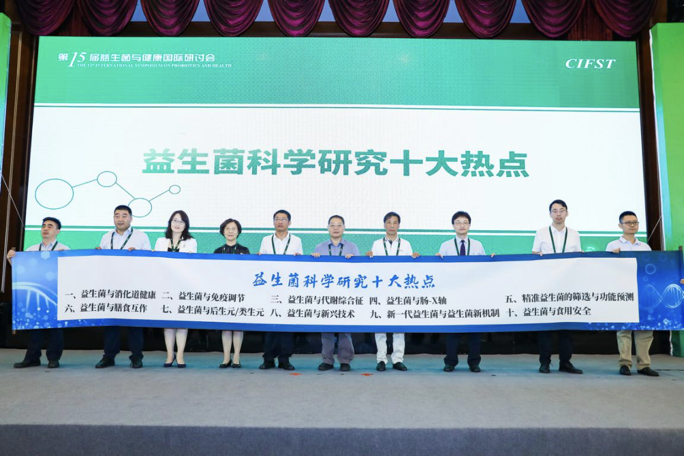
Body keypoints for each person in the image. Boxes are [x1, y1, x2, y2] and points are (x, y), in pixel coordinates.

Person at [7, 217, 70, 369]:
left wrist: (64, 259)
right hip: (35, 293)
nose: (45, 228)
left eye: (50, 226)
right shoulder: (31, 249)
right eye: (44, 226)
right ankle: (32, 358)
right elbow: (21, 270)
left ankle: (53, 358)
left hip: (55, 293)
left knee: (54, 327)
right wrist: (11, 259)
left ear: (58, 231)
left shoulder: (64, 249)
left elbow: (70, 272)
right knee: (34, 327)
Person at [95, 205, 151, 369]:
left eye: (124, 215)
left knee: (134, 324)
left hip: (133, 285)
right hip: (111, 285)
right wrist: (98, 253)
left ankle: (136, 357)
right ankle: (109, 356)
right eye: (117, 215)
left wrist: (138, 254)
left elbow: (149, 260)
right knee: (111, 323)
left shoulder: (141, 236)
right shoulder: (106, 237)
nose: (120, 219)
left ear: (131, 218)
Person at [531, 199, 583, 374]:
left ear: (567, 213)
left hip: (568, 284)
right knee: (545, 326)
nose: (558, 214)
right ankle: (544, 362)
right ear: (550, 214)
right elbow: (534, 254)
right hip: (547, 284)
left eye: (562, 210)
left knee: (566, 326)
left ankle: (565, 362)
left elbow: (577, 257)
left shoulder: (574, 234)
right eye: (555, 211)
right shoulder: (541, 233)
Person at [606, 211, 659, 377]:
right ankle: (625, 364)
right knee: (624, 329)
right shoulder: (612, 245)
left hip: (643, 291)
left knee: (645, 329)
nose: (632, 225)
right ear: (620, 225)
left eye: (635, 222)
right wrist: (613, 257)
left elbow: (652, 269)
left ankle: (644, 365)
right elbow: (606, 269)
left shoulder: (645, 247)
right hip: (622, 291)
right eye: (628, 222)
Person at [367, 211, 419, 372]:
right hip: (381, 290)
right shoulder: (376, 244)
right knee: (380, 326)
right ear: (384, 225)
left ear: (399, 225)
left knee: (399, 326)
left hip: (399, 290)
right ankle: (381, 359)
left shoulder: (406, 244)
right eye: (389, 222)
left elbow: (410, 267)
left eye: (395, 222)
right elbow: (372, 266)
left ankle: (397, 360)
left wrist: (415, 257)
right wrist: (368, 256)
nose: (391, 225)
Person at [437, 211, 485, 373]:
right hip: (454, 293)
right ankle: (450, 362)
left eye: (465, 222)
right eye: (458, 222)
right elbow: (441, 269)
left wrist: (492, 260)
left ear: (469, 225)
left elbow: (484, 267)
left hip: (473, 293)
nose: (462, 225)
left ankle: (474, 362)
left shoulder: (478, 245)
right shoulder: (445, 246)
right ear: (453, 226)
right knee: (453, 330)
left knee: (474, 331)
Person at [312, 215, 360, 372]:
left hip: (346, 294)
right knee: (326, 328)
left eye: (339, 225)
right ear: (328, 228)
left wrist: (354, 261)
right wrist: (314, 260)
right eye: (332, 225)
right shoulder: (319, 248)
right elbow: (313, 271)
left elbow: (360, 270)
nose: (336, 228)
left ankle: (345, 360)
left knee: (345, 329)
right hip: (326, 293)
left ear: (344, 228)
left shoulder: (352, 247)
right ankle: (327, 360)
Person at [258, 210, 303, 370]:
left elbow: (301, 264)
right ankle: (268, 359)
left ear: (289, 223)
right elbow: (261, 263)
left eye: (283, 219)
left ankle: (285, 359)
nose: (280, 222)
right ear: (273, 222)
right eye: (277, 219)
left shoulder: (296, 240)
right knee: (269, 324)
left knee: (286, 325)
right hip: (270, 287)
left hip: (288, 288)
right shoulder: (266, 240)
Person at [154, 210, 197, 368]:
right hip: (164, 285)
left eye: (181, 221)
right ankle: (169, 354)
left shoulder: (191, 242)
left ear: (186, 225)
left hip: (182, 285)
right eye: (175, 220)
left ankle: (180, 354)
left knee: (182, 321)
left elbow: (192, 264)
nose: (177, 224)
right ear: (170, 222)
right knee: (168, 322)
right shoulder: (160, 241)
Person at [214, 218, 250, 369]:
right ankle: (226, 357)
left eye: (233, 229)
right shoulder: (217, 251)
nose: (230, 231)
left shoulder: (245, 251)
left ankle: (236, 357)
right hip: (223, 293)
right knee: (226, 326)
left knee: (237, 326)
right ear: (223, 231)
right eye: (227, 228)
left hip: (239, 293)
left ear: (238, 232)